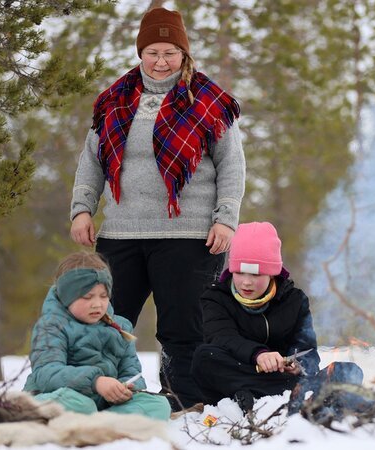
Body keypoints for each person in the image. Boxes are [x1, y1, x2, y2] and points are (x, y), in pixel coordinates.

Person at [69, 7, 245, 409]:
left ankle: (185, 401)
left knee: (183, 328)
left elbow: (232, 165)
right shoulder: (114, 100)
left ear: (183, 53)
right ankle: (101, 396)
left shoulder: (209, 100)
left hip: (188, 234)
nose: (161, 61)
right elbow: (91, 160)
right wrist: (82, 208)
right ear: (140, 53)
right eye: (152, 52)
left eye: (170, 52)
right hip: (121, 233)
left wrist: (226, 219)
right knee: (108, 322)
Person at [191, 222, 363, 412]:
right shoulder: (216, 297)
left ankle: (265, 395)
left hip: (284, 378)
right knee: (204, 357)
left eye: (256, 274)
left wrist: (299, 365)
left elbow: (307, 349)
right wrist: (259, 354)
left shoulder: (294, 299)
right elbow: (223, 337)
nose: (246, 282)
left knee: (348, 371)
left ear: (272, 273)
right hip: (237, 374)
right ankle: (298, 396)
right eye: (239, 272)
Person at [23, 252, 171, 420]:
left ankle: (101, 422)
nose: (97, 304)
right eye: (88, 297)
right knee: (81, 405)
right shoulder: (51, 326)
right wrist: (96, 381)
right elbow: (46, 374)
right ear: (67, 297)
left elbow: (130, 370)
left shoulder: (120, 327)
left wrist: (127, 388)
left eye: (103, 296)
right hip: (61, 398)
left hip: (104, 405)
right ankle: (100, 421)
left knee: (158, 405)